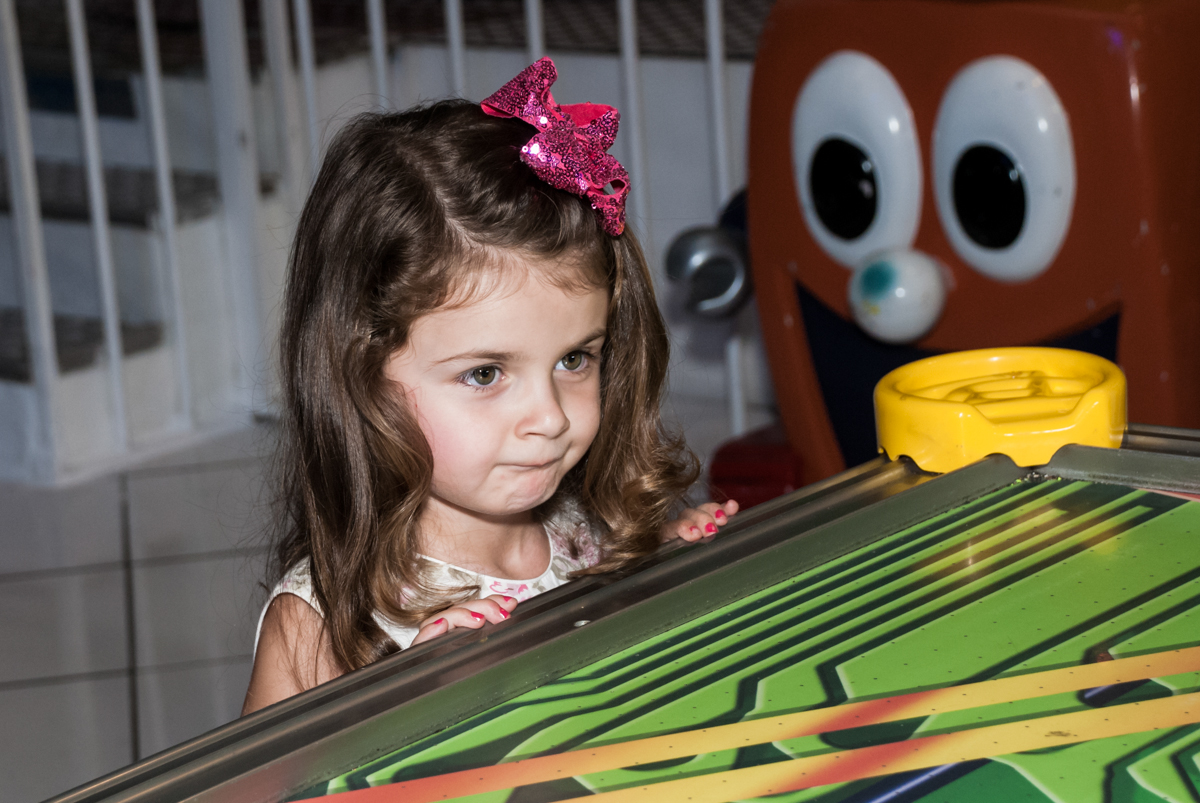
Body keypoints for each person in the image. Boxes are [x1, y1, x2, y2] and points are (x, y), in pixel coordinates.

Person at [242, 58, 738, 715]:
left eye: (574, 359)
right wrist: (410, 709)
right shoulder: (323, 625)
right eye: (485, 373)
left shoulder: (585, 530)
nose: (549, 417)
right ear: (363, 373)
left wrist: (659, 573)